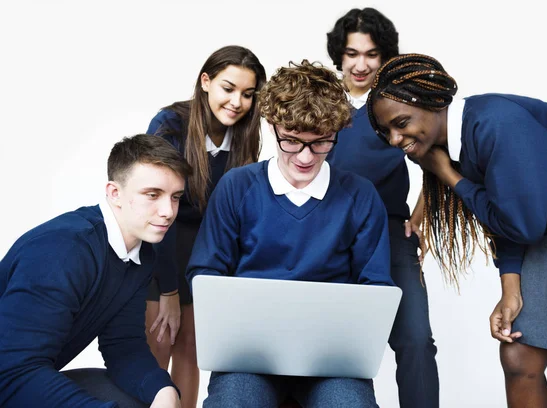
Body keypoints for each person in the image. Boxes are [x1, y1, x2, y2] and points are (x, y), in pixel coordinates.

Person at [367, 53, 547, 407]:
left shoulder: (495, 124)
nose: (395, 139)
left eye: (401, 123)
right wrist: (510, 290)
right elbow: (508, 217)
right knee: (519, 358)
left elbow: (522, 224)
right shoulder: (456, 143)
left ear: (432, 102)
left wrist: (449, 176)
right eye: (387, 132)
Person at [186, 60, 394, 408]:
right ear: (272, 126)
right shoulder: (237, 187)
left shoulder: (360, 196)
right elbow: (205, 273)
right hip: (246, 359)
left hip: (333, 363)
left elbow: (376, 288)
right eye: (293, 141)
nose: (306, 156)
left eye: (321, 143)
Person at [0, 134, 192, 407]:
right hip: (11, 378)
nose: (168, 211)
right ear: (115, 194)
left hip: (22, 375)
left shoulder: (141, 253)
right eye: (153, 195)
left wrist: (165, 393)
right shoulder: (64, 250)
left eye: (175, 197)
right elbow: (13, 371)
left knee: (141, 396)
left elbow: (124, 346)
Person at [325, 9, 439, 407]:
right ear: (338, 55)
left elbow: (438, 162)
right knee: (333, 345)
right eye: (352, 53)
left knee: (416, 340)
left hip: (390, 230)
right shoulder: (323, 100)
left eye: (371, 54)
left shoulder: (396, 102)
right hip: (326, 234)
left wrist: (421, 216)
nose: (360, 64)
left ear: (385, 56)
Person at [144, 45, 266, 408]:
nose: (236, 102)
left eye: (247, 94)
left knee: (192, 348)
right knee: (159, 342)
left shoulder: (246, 134)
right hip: (161, 243)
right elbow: (156, 210)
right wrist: (168, 291)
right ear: (206, 81)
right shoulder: (170, 123)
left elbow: (235, 214)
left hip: (207, 252)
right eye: (228, 88)